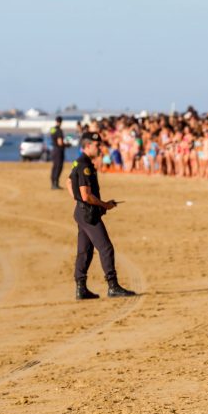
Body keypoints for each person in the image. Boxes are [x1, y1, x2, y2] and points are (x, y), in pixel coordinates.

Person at [66, 132, 136, 299]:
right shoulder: (84, 165)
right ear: (88, 145)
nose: (99, 148)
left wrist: (77, 200)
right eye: (97, 145)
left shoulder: (79, 161)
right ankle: (113, 286)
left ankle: (80, 288)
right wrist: (105, 205)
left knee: (85, 251)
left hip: (81, 211)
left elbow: (69, 182)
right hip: (88, 214)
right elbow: (86, 195)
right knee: (106, 248)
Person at [49, 116, 66, 189]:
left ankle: (53, 182)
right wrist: (67, 145)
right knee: (59, 167)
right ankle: (55, 183)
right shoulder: (59, 130)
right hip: (59, 150)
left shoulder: (52, 129)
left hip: (54, 150)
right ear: (61, 122)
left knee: (54, 166)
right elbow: (60, 143)